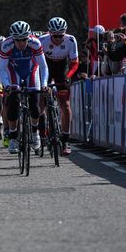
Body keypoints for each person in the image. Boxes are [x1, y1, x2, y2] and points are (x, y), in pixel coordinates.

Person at [0, 21, 48, 154]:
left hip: (31, 70)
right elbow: (2, 68)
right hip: (14, 70)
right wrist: (7, 85)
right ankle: (13, 138)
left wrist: (44, 84)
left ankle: (35, 133)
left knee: (34, 105)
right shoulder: (6, 45)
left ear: (29, 37)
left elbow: (43, 66)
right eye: (18, 40)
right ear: (13, 39)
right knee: (13, 104)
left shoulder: (35, 43)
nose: (21, 43)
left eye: (24, 39)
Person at [38, 17, 78, 156]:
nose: (57, 38)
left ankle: (66, 140)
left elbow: (74, 62)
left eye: (60, 35)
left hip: (62, 68)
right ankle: (42, 130)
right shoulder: (42, 40)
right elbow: (37, 63)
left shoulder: (71, 40)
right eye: (54, 35)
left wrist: (69, 76)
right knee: (40, 101)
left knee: (65, 105)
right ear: (49, 33)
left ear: (65, 33)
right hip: (46, 67)